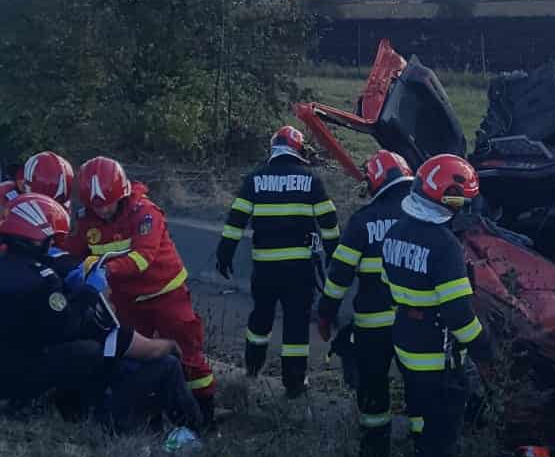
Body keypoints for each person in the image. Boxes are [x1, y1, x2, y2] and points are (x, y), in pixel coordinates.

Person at [0, 193, 202, 440]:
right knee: (165, 365)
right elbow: (96, 331)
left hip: (17, 371)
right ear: (35, 238)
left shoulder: (13, 269)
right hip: (49, 385)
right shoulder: (46, 284)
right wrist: (171, 345)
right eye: (49, 239)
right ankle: (195, 432)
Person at [381, 153, 491, 457]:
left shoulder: (395, 230)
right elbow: (459, 314)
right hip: (436, 351)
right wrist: (484, 350)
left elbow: (390, 284)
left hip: (406, 340)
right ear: (450, 199)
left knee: (418, 406)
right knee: (441, 434)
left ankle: (418, 447)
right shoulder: (444, 247)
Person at [69, 156, 217, 423]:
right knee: (139, 356)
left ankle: (206, 414)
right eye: (95, 206)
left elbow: (143, 257)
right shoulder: (87, 220)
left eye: (106, 204)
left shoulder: (144, 213)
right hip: (128, 301)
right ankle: (153, 412)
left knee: (189, 353)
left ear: (122, 193)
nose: (101, 211)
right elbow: (74, 251)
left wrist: (106, 270)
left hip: (166, 294)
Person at [217, 124, 339, 397]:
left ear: (273, 150)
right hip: (300, 270)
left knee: (261, 319)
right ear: (298, 150)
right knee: (296, 324)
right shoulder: (310, 180)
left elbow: (236, 220)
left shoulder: (255, 179)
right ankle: (294, 383)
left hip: (265, 269)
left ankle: (252, 368)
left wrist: (225, 253)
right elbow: (329, 222)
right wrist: (334, 254)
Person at [316, 150, 413, 457]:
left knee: (373, 385)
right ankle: (422, 448)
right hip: (416, 324)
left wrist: (326, 313)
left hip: (373, 326)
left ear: (375, 181)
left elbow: (339, 276)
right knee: (419, 385)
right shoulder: (423, 217)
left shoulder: (362, 222)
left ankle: (374, 450)